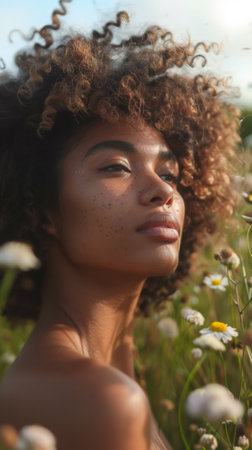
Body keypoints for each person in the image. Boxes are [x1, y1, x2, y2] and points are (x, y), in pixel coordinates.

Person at [0, 4, 240, 449]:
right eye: (116, 167)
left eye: (169, 174)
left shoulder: (112, 381)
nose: (161, 191)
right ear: (40, 208)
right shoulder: (101, 399)